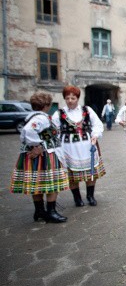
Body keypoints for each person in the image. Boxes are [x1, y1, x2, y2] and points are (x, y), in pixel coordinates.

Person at [10, 92, 70, 223]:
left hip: (37, 155)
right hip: (44, 155)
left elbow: (25, 134)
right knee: (51, 183)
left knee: (37, 183)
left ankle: (39, 211)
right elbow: (29, 131)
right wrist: (36, 146)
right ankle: (51, 212)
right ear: (47, 105)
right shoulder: (41, 118)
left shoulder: (33, 117)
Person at [52, 85, 106, 207]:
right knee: (72, 176)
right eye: (67, 98)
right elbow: (53, 131)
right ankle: (77, 198)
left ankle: (90, 196)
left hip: (87, 146)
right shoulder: (59, 113)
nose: (70, 101)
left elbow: (97, 124)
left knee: (91, 172)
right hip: (69, 148)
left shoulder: (87, 110)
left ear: (78, 98)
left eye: (73, 98)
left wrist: (95, 135)